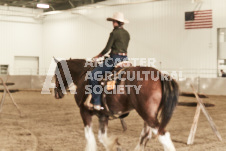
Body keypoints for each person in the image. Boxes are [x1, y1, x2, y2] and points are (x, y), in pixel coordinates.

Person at [85, 12, 130, 110]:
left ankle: (96, 102)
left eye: (113, 21)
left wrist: (98, 56)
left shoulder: (114, 33)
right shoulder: (127, 34)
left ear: (116, 22)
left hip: (114, 59)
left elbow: (107, 49)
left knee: (93, 75)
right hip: (125, 59)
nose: (112, 23)